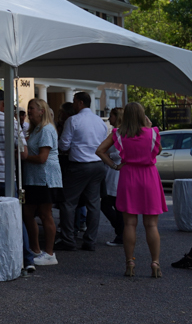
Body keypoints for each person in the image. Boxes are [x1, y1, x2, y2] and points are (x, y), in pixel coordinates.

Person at [95, 102, 166, 277]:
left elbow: (100, 150)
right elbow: (157, 151)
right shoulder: (152, 133)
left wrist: (114, 165)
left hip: (128, 176)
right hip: (149, 176)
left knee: (129, 224)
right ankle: (155, 263)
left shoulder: (119, 134)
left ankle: (130, 263)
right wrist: (149, 127)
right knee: (151, 224)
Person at [56, 91, 109, 252]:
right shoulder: (100, 121)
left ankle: (68, 240)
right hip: (98, 164)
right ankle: (90, 240)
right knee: (93, 204)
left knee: (68, 203)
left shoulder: (73, 120)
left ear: (80, 102)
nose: (72, 104)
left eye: (74, 101)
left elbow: (63, 145)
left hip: (79, 165)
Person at [22, 98, 63, 266]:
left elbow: (42, 158)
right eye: (29, 108)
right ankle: (36, 249)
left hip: (45, 178)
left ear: (42, 111)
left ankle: (49, 253)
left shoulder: (46, 129)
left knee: (45, 214)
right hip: (34, 178)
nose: (29, 111)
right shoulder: (36, 130)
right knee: (28, 213)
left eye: (32, 108)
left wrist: (24, 157)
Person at [101, 107, 125, 247]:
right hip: (113, 172)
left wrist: (108, 155)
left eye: (111, 116)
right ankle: (121, 231)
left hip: (116, 171)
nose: (109, 118)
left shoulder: (119, 133)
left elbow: (120, 153)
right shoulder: (117, 132)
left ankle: (121, 232)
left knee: (110, 204)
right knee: (113, 204)